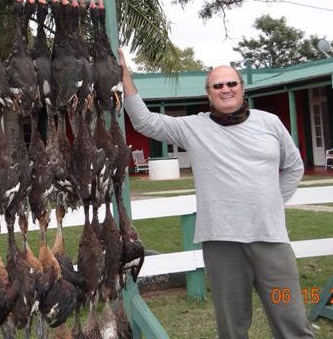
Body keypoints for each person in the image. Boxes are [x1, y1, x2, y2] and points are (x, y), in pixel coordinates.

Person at [118, 49, 314, 339]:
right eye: (218, 85)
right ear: (208, 94)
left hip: (271, 241)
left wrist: (271, 203)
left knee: (292, 318)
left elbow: (294, 167)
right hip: (223, 244)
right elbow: (145, 122)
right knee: (232, 326)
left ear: (242, 88)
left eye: (231, 83)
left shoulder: (269, 122)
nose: (226, 90)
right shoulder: (194, 127)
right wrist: (124, 71)